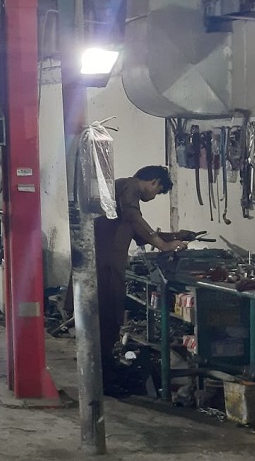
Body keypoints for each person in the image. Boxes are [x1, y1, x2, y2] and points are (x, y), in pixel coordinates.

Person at [94, 165, 197, 390]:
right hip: (105, 265)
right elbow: (134, 218)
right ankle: (102, 378)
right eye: (158, 191)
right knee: (106, 319)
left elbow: (140, 235)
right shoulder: (129, 186)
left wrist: (175, 235)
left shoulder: (126, 199)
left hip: (111, 265)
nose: (155, 195)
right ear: (154, 182)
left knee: (110, 320)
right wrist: (163, 245)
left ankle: (106, 372)